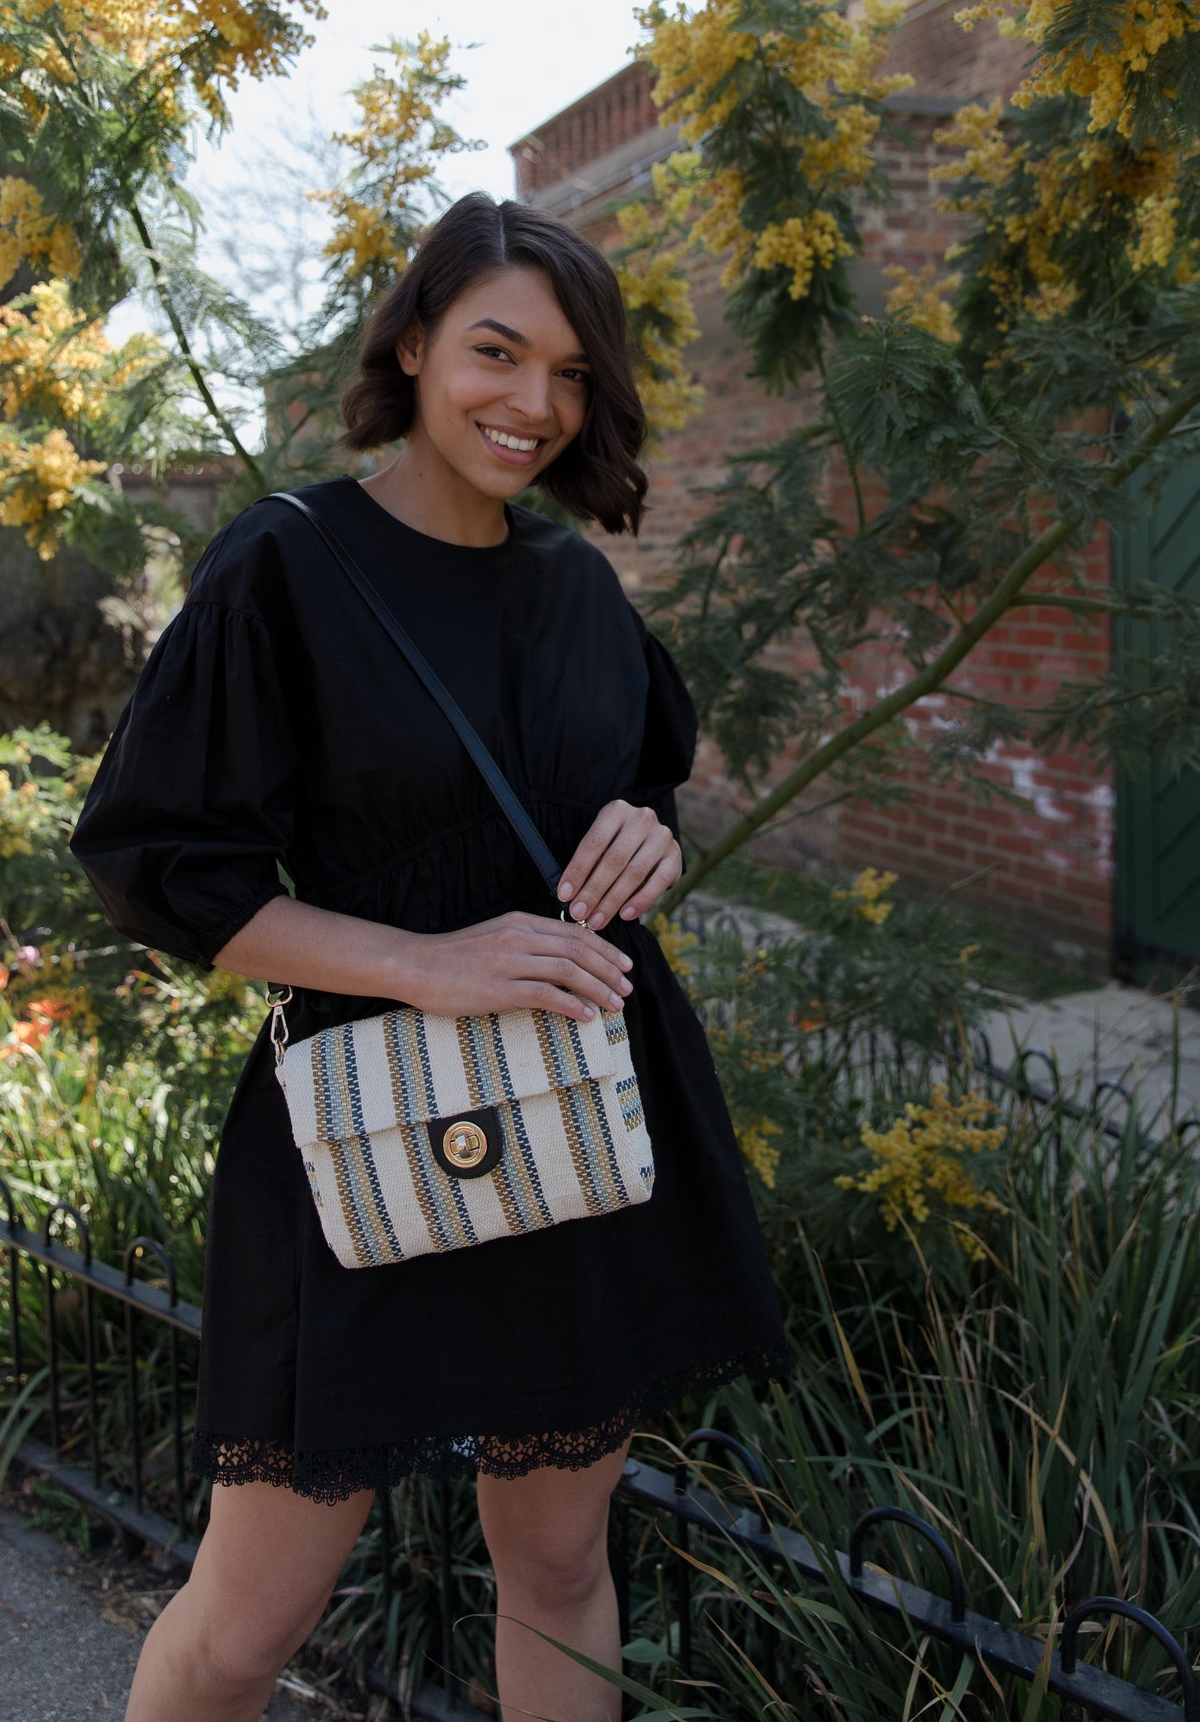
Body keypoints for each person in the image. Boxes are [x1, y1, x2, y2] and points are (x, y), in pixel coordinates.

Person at [71, 192, 789, 1722]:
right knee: (247, 1624)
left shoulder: (575, 589)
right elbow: (158, 867)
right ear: (409, 344)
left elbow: (633, 787)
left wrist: (651, 838)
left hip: (581, 1115)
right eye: (495, 350)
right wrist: (428, 962)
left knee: (557, 1572)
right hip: (371, 1138)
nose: (534, 402)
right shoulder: (287, 567)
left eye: (572, 372)